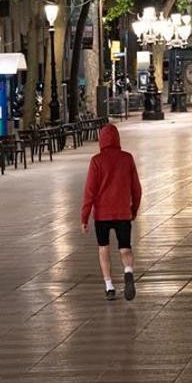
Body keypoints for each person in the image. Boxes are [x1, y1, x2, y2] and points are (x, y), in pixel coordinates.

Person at [80, 123, 143, 301]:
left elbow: (89, 192)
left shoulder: (96, 161)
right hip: (123, 212)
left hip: (102, 215)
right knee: (125, 249)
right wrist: (134, 209)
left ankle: (109, 286)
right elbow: (136, 188)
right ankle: (128, 271)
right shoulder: (127, 158)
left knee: (103, 249)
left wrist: (84, 216)